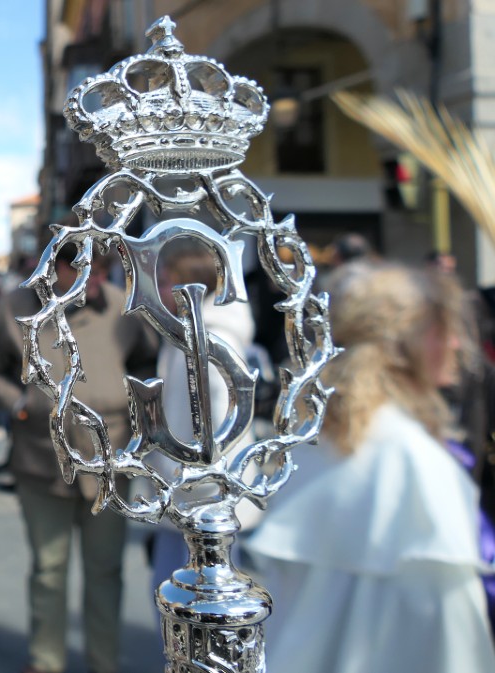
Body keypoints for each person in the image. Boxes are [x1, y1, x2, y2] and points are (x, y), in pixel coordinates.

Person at [245, 264, 495, 672]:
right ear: (409, 344)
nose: (454, 343)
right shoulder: (414, 461)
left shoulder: (316, 443)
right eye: (441, 329)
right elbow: (454, 644)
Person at [0, 248, 157, 673]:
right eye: (85, 268)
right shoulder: (15, 309)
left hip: (108, 465)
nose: (96, 278)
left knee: (105, 570)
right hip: (42, 461)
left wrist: (136, 410)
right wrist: (20, 403)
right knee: (48, 569)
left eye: (103, 269)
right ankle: (45, 661)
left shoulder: (123, 307)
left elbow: (148, 363)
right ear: (55, 268)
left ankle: (103, 663)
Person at [148, 241, 258, 616]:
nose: (160, 290)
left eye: (166, 281)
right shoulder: (189, 332)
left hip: (201, 497)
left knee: (192, 603)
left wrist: (195, 478)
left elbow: (223, 414)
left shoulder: (208, 337)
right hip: (189, 490)